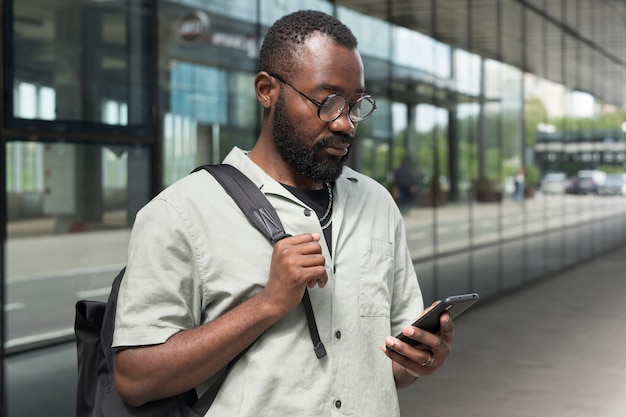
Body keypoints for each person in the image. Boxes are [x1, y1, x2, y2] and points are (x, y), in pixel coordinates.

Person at [112, 10, 454, 416]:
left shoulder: (377, 203)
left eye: (356, 104)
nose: (346, 123)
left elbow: (392, 363)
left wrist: (419, 360)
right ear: (266, 90)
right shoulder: (180, 212)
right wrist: (267, 304)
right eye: (328, 102)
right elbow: (134, 379)